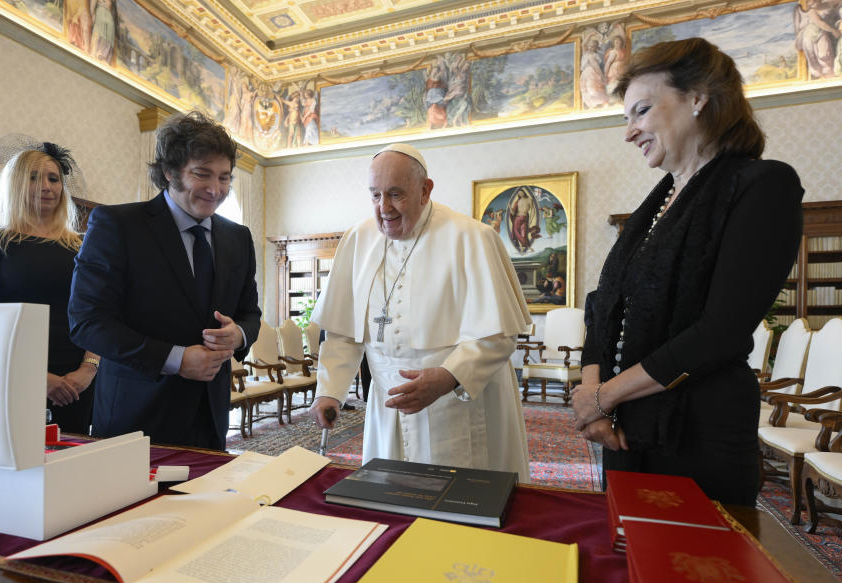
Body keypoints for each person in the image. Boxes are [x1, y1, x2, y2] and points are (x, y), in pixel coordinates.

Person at [571, 38, 804, 505]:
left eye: (640, 111)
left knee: (691, 571)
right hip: (625, 431)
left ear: (697, 98)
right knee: (626, 563)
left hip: (697, 435)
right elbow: (603, 307)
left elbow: (719, 331)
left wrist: (605, 396)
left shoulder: (763, 185)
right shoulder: (653, 206)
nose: (629, 131)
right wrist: (594, 396)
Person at [308, 143, 533, 478]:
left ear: (425, 190)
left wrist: (448, 376)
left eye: (396, 194)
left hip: (457, 402)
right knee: (392, 497)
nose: (384, 208)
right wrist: (330, 390)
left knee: (462, 506)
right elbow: (342, 330)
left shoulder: (472, 237)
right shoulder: (358, 239)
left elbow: (498, 335)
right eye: (375, 195)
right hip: (389, 406)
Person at [68, 111, 261, 449]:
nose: (215, 190)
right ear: (170, 171)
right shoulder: (118, 226)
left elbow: (250, 314)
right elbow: (87, 322)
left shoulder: (238, 237)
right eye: (202, 174)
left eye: (225, 177)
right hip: (136, 417)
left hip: (211, 417)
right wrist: (175, 359)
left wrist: (238, 334)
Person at [0, 144, 99, 434]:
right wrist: (41, 378)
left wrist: (88, 369)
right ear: (15, 184)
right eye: (34, 177)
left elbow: (100, 312)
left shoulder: (85, 244)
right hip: (14, 376)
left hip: (78, 381)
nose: (46, 186)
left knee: (72, 468)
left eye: (53, 178)